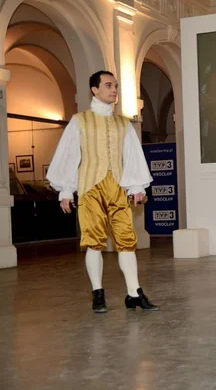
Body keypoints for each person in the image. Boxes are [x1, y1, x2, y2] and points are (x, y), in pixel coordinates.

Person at [47, 70, 158, 313]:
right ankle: (98, 293)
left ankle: (133, 293)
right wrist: (66, 190)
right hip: (90, 187)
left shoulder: (123, 123)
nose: (114, 89)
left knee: (127, 241)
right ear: (94, 90)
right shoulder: (80, 120)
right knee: (94, 242)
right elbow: (68, 155)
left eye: (116, 85)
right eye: (108, 85)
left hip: (117, 187)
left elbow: (132, 156)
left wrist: (137, 186)